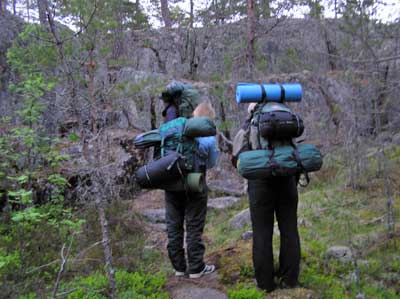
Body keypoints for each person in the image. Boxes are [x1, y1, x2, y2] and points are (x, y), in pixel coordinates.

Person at [232, 103, 301, 292]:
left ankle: (265, 284)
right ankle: (290, 280)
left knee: (262, 232)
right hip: (287, 179)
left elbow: (236, 155)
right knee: (290, 230)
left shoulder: (251, 123)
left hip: (261, 182)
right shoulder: (285, 118)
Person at [163, 100, 218, 278]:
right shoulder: (208, 137)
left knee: (174, 226)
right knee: (194, 226)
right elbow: (211, 163)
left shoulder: (176, 131)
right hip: (195, 183)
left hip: (171, 183)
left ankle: (178, 267)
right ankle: (196, 268)